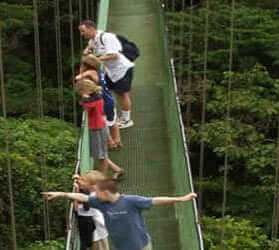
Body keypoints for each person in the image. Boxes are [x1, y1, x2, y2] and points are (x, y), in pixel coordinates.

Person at [43, 180, 197, 250]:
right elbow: (83, 198)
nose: (95, 195)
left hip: (140, 246)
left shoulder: (131, 201)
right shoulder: (100, 202)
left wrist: (181, 199)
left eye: (98, 193)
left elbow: (156, 200)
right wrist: (61, 194)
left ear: (106, 192)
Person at [79, 20, 135, 129]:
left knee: (122, 94)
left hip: (122, 69)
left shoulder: (106, 37)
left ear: (91, 29)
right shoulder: (93, 40)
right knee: (105, 90)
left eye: (83, 31)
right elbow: (89, 48)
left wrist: (95, 59)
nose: (82, 34)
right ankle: (111, 115)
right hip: (111, 71)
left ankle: (126, 120)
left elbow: (114, 55)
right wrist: (87, 51)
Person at [76, 79, 124, 178]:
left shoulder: (92, 101)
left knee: (101, 157)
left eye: (81, 92)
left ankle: (102, 179)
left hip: (97, 129)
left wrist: (84, 99)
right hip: (100, 126)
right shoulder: (98, 97)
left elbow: (86, 107)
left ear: (85, 90)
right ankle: (117, 170)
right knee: (102, 154)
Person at [76, 55, 122, 149]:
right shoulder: (99, 71)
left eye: (82, 65)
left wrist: (81, 72)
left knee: (104, 123)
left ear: (86, 66)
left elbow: (77, 78)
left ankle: (111, 143)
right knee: (112, 121)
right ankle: (117, 141)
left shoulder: (90, 72)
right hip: (109, 99)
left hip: (104, 102)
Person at [74, 171, 110, 250]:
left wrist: (76, 191)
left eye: (83, 180)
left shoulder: (94, 200)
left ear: (93, 186)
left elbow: (77, 210)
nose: (80, 182)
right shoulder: (94, 193)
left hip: (98, 235)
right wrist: (78, 178)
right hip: (97, 232)